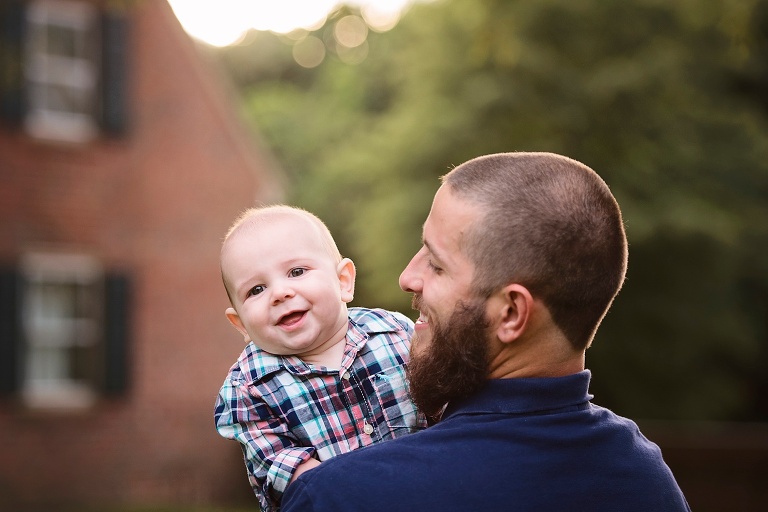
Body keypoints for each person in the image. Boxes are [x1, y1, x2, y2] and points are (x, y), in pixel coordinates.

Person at [282, 152, 691, 512]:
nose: (408, 277)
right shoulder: (646, 481)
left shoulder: (342, 496)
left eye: (437, 265)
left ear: (511, 313)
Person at [214, 205, 427, 512]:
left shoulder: (394, 333)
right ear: (242, 325)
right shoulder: (247, 389)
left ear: (343, 281)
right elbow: (284, 469)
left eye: (296, 272)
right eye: (256, 289)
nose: (280, 293)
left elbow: (446, 409)